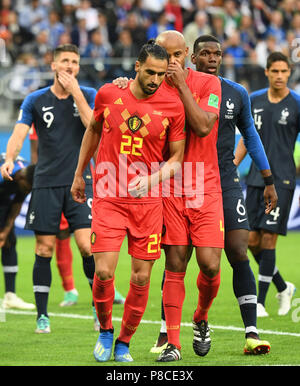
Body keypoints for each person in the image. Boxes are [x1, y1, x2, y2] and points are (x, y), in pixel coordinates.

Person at [151, 34, 278, 357]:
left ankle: (248, 330)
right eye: (205, 53)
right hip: (178, 182)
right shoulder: (159, 84)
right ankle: (169, 333)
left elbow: (249, 134)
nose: (212, 58)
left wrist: (267, 178)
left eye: (217, 53)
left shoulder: (233, 92)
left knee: (234, 252)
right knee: (176, 258)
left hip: (222, 180)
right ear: (193, 57)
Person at [71, 40, 186, 363]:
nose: (155, 80)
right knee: (104, 272)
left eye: (161, 74)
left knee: (141, 277)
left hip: (148, 203)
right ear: (136, 67)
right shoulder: (109, 94)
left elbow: (177, 159)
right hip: (108, 197)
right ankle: (106, 331)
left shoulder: (173, 105)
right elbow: (93, 130)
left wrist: (151, 180)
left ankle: (124, 342)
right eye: (150, 72)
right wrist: (80, 173)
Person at [1, 44, 97, 334]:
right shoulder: (35, 100)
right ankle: (42, 316)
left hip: (80, 183)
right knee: (44, 249)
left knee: (87, 246)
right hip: (45, 184)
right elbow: (19, 132)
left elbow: (94, 126)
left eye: (75, 62)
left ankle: (98, 309)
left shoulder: (89, 94)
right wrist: (8, 158)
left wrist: (77, 93)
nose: (70, 66)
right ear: (53, 65)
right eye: (65, 61)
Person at [29, 125, 125, 310]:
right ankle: (69, 289)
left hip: (80, 180)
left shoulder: (86, 102)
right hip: (50, 183)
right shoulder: (40, 105)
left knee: (87, 243)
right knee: (59, 235)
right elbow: (35, 151)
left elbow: (95, 134)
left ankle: (105, 291)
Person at [234, 51, 299, 318]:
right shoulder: (254, 100)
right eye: (275, 71)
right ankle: (283, 287)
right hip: (255, 180)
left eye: (285, 71)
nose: (280, 76)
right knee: (249, 240)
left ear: (289, 72)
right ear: (267, 72)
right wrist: (231, 166)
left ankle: (259, 302)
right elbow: (245, 138)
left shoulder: (296, 103)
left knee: (269, 238)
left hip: (282, 179)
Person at [0, 153, 36, 310]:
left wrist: (5, 231)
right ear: (21, 180)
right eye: (27, 189)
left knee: (9, 241)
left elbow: (17, 203)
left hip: (4, 200)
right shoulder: (4, 174)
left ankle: (10, 296)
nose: (27, 192)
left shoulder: (27, 177)